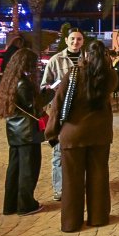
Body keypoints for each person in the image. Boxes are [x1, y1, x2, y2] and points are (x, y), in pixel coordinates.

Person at [45, 40, 116, 233]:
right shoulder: (110, 76)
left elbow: (57, 105)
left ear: (86, 55)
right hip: (100, 133)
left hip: (73, 133)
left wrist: (51, 132)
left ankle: (71, 223)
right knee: (99, 176)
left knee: (72, 180)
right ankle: (99, 217)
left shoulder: (74, 74)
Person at [0, 48, 47, 216]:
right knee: (28, 170)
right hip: (28, 132)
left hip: (14, 131)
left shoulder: (10, 80)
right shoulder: (23, 83)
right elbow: (33, 108)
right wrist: (49, 93)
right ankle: (26, 205)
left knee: (15, 169)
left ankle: (10, 205)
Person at [43, 29, 86, 201]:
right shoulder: (55, 60)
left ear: (83, 41)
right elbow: (44, 85)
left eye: (79, 39)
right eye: (73, 39)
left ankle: (77, 184)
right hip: (61, 111)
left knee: (80, 150)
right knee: (59, 152)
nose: (75, 42)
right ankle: (60, 189)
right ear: (66, 40)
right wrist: (54, 88)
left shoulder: (87, 59)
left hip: (81, 111)